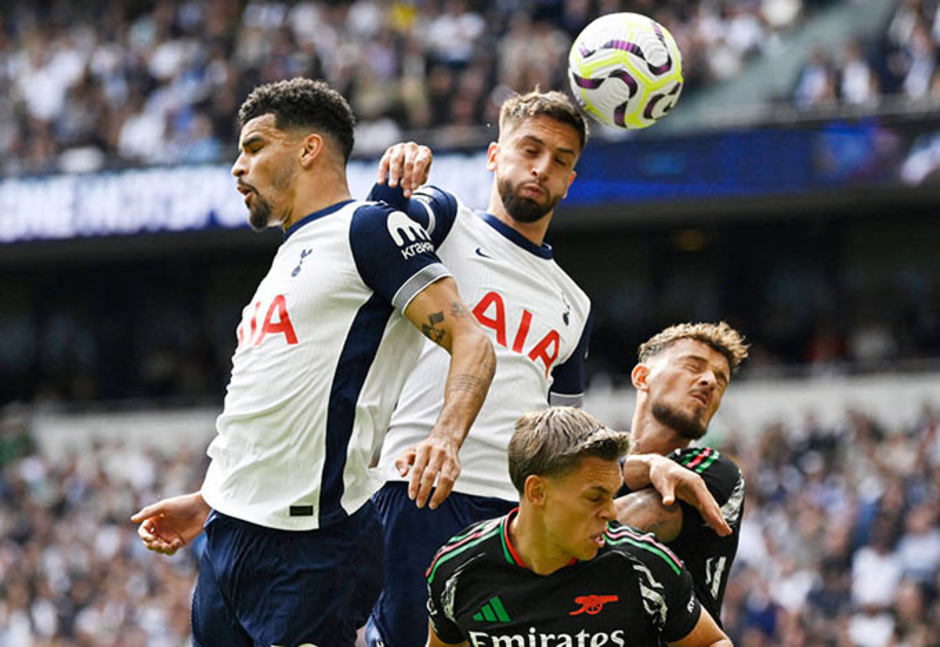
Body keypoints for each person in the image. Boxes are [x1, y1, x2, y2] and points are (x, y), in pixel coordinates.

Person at [130, 77, 496, 647]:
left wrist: (446, 438)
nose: (237, 167)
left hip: (313, 545)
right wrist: (210, 499)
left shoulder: (368, 228)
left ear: (307, 150)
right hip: (230, 537)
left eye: (254, 147)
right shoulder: (288, 257)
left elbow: (471, 340)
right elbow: (272, 406)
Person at [362, 90, 594, 647]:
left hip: (519, 511)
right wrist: (394, 181)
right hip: (421, 488)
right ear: (494, 156)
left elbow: (561, 434)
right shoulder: (447, 221)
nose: (542, 167)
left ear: (571, 179)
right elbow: (375, 230)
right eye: (529, 149)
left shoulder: (575, 303)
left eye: (561, 160)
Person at [425, 406, 734, 647]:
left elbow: (713, 641)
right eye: (595, 497)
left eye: (613, 495)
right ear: (537, 492)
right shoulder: (456, 570)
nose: (612, 512)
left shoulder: (647, 565)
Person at [615, 322, 750, 627]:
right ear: (642, 376)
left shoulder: (714, 472)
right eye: (693, 366)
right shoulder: (596, 466)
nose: (709, 382)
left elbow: (588, 531)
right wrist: (646, 465)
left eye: (720, 379)